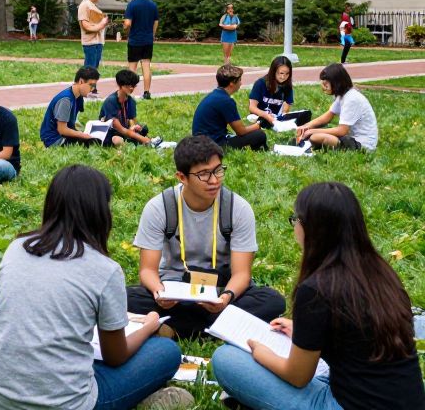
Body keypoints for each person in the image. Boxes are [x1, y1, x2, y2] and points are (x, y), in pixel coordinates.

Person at [0, 165, 191, 410]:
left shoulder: (16, 248)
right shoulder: (104, 269)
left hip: (0, 396)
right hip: (69, 404)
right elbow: (115, 356)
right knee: (166, 352)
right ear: (100, 212)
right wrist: (148, 327)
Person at [211, 182, 425, 410]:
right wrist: (304, 332)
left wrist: (261, 353)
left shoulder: (316, 289)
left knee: (226, 359)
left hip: (347, 403)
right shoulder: (381, 271)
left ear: (312, 229)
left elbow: (297, 376)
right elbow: (357, 337)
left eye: (296, 220)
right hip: (406, 400)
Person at [126, 135, 285, 340]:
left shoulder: (238, 208)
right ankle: (219, 329)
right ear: (182, 177)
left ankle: (176, 328)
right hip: (174, 291)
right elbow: (147, 270)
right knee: (123, 298)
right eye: (203, 174)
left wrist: (225, 298)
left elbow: (242, 274)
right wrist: (159, 292)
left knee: (272, 300)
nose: (214, 180)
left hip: (220, 290)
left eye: (218, 170)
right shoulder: (160, 207)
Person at [295, 63, 378, 152]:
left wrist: (312, 131)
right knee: (315, 135)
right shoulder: (343, 95)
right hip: (350, 138)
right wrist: (305, 127)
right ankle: (312, 143)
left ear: (336, 83)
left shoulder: (351, 99)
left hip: (363, 144)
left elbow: (342, 131)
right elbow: (327, 116)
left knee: (316, 137)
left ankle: (314, 145)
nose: (324, 87)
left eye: (326, 84)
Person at [192, 64, 268, 151]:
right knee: (259, 135)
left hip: (200, 142)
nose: (241, 83)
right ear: (231, 84)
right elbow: (241, 131)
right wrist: (259, 124)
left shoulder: (215, 95)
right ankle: (260, 150)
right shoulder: (226, 101)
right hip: (214, 145)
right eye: (239, 80)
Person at [39, 67, 119, 148]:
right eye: (91, 85)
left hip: (67, 135)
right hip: (55, 140)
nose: (93, 89)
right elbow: (62, 130)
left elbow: (72, 125)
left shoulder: (78, 97)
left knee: (107, 135)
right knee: (97, 143)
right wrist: (82, 134)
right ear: (81, 81)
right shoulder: (66, 100)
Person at [100, 69, 161, 147]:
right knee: (117, 140)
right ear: (120, 85)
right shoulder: (111, 101)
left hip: (126, 131)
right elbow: (119, 128)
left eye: (133, 85)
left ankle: (137, 142)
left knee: (143, 128)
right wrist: (144, 139)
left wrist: (134, 127)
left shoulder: (131, 101)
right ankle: (137, 143)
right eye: (128, 85)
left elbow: (132, 120)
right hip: (111, 132)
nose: (131, 88)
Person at [248, 56, 311, 129]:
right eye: (281, 73)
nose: (283, 77)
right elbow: (252, 108)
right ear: (273, 71)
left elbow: (286, 108)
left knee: (306, 113)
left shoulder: (287, 86)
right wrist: (267, 116)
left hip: (277, 117)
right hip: (261, 116)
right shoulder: (260, 83)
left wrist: (283, 115)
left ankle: (281, 125)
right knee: (258, 119)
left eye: (287, 74)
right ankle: (266, 124)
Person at [123, 0, 158, 99]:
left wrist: (126, 30)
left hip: (134, 40)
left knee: (132, 67)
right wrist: (152, 35)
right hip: (148, 40)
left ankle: (128, 93)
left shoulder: (132, 5)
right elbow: (156, 22)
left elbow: (127, 23)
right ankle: (147, 92)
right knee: (146, 65)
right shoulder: (153, 5)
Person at [78, 0, 109, 70]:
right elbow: (86, 26)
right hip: (91, 43)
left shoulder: (92, 5)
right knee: (89, 72)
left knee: (93, 72)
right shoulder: (85, 5)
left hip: (97, 42)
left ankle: (87, 84)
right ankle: (79, 84)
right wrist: (102, 23)